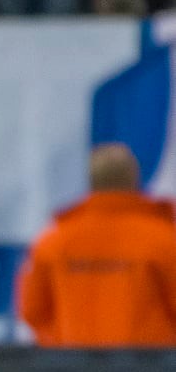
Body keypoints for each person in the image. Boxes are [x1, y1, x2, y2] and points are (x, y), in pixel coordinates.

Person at [17, 144, 176, 348]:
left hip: (75, 369)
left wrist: (61, 345)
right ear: (134, 178)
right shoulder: (164, 240)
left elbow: (32, 311)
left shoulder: (53, 242)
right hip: (148, 371)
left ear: (91, 180)